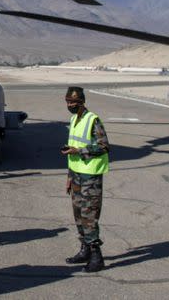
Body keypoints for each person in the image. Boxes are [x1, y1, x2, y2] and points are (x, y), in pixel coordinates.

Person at [61, 86, 109, 272]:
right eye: (67, 102)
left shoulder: (93, 120)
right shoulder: (74, 119)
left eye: (73, 102)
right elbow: (72, 149)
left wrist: (79, 151)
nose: (70, 105)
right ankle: (85, 249)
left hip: (90, 176)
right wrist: (69, 176)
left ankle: (97, 256)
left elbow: (104, 146)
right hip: (76, 175)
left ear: (82, 102)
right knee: (79, 216)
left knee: (89, 216)